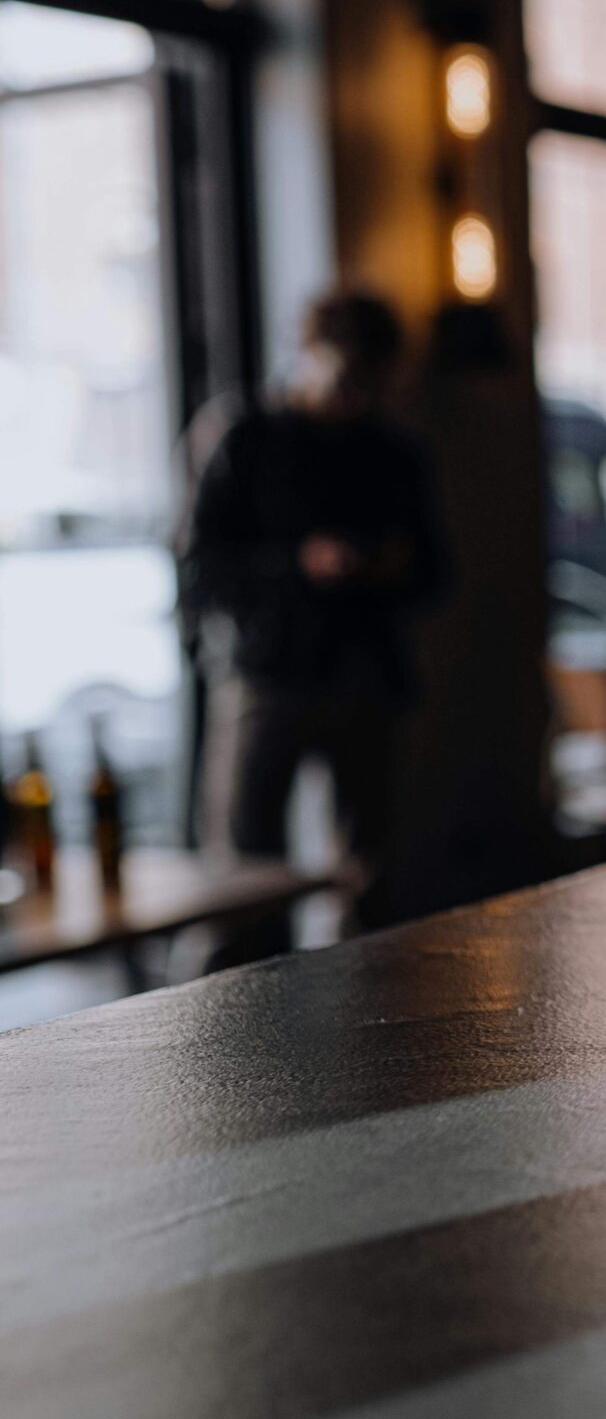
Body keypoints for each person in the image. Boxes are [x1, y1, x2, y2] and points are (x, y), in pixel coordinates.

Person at [180, 290, 448, 938]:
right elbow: (200, 567)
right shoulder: (244, 438)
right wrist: (298, 564)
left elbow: (439, 573)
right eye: (346, 376)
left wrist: (391, 567)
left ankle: (363, 1026)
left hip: (368, 676)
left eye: (371, 381)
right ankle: (240, 1022)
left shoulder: (393, 452)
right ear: (306, 355)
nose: (356, 395)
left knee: (371, 881)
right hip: (268, 674)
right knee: (243, 876)